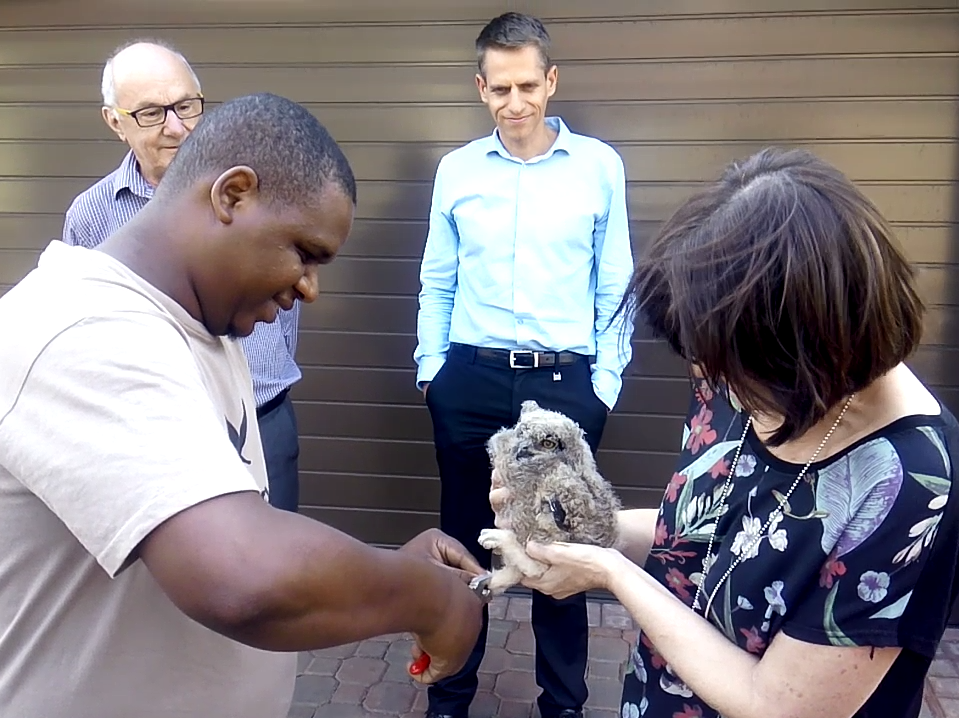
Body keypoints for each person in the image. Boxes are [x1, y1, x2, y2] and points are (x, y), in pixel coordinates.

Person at [0, 92, 485, 718]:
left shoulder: (205, 327)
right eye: (305, 253)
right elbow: (243, 576)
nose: (310, 287)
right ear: (232, 195)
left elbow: (235, 523)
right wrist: (431, 600)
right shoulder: (82, 333)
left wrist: (382, 568)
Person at [491, 147, 959, 718]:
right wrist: (585, 530)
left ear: (805, 347)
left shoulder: (913, 483)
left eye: (727, 369)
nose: (708, 382)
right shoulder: (740, 371)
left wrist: (606, 571)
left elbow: (777, 705)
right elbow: (694, 537)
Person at [413, 12, 634, 718]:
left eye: (528, 85)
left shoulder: (598, 167)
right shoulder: (457, 171)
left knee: (559, 548)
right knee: (462, 545)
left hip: (562, 385)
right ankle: (449, 700)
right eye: (500, 87)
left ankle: (562, 707)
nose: (515, 103)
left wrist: (602, 384)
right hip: (469, 380)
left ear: (551, 82)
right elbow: (437, 281)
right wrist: (432, 372)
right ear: (481, 88)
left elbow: (616, 285)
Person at [62, 38, 304, 512]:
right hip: (146, 438)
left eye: (187, 105)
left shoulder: (260, 193)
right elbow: (77, 331)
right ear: (115, 122)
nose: (178, 127)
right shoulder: (92, 214)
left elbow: (291, 291)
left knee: (275, 576)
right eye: (152, 113)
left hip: (262, 420)